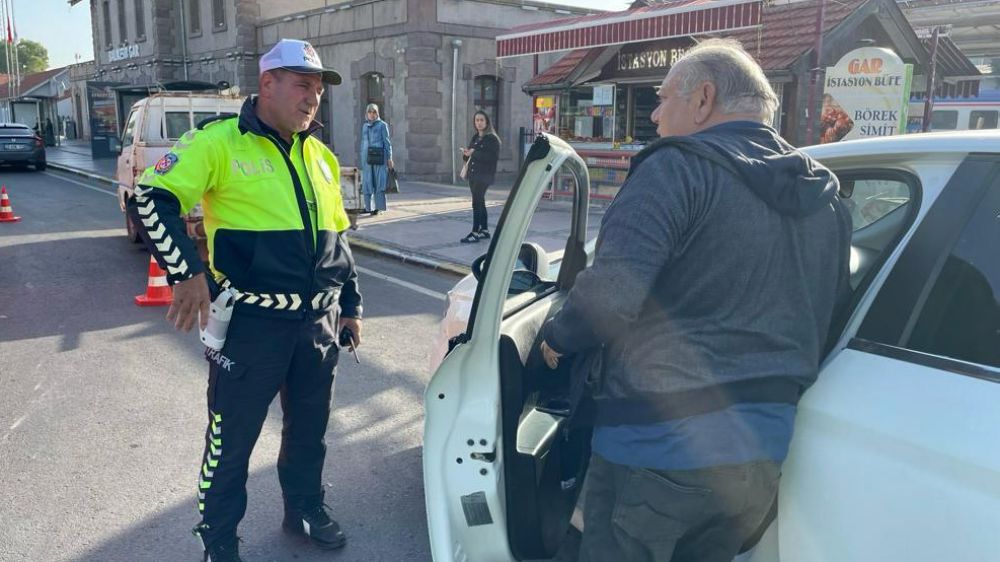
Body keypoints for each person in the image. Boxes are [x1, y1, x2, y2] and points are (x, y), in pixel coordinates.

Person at [538, 39, 852, 562]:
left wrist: (555, 338)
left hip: (655, 447)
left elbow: (610, 297)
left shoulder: (676, 169)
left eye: (663, 99)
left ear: (704, 99)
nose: (656, 116)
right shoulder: (825, 199)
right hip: (762, 456)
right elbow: (827, 317)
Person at [126, 38, 362, 562]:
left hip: (316, 326)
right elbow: (151, 196)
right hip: (252, 327)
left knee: (310, 432)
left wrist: (350, 304)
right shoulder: (218, 142)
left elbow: (338, 237)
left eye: (318, 90)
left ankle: (304, 508)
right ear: (268, 84)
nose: (312, 99)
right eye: (302, 85)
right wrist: (185, 272)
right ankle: (218, 539)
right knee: (230, 443)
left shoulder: (321, 156)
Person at [459, 110, 500, 243]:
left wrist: (474, 152)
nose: (479, 123)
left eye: (482, 120)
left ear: (487, 122)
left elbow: (491, 158)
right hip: (473, 175)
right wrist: (466, 153)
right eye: (477, 120)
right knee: (480, 202)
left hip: (484, 175)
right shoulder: (476, 137)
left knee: (476, 202)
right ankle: (485, 230)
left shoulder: (492, 139)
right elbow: (470, 155)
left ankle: (475, 232)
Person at [359, 103, 393, 215]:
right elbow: (363, 143)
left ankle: (378, 208)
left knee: (379, 183)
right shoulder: (364, 126)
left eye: (374, 112)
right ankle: (368, 207)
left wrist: (389, 158)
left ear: (377, 113)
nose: (372, 114)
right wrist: (362, 157)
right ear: (367, 114)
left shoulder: (382, 125)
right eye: (370, 112)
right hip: (367, 159)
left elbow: (387, 143)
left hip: (379, 158)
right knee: (367, 182)